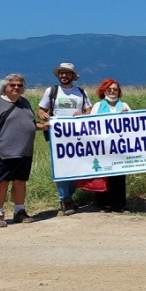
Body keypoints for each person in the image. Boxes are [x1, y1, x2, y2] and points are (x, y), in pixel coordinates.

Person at [0, 74, 49, 227]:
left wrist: (42, 126)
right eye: (13, 85)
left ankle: (20, 211)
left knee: (20, 182)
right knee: (1, 183)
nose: (16, 87)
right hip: (3, 152)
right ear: (5, 87)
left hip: (24, 152)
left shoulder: (25, 103)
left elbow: (30, 123)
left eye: (20, 85)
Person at [38, 62, 92, 216]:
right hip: (58, 136)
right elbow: (41, 110)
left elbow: (89, 111)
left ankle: (71, 193)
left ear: (72, 76)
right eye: (61, 73)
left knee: (77, 166)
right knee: (62, 166)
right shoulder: (52, 91)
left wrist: (82, 115)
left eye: (67, 73)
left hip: (78, 136)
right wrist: (44, 116)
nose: (64, 75)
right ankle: (65, 198)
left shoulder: (81, 92)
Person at [91, 78, 131, 212]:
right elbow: (90, 124)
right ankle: (104, 203)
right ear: (104, 91)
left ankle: (119, 204)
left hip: (120, 147)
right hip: (103, 147)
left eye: (115, 89)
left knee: (119, 176)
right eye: (110, 89)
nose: (112, 92)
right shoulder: (97, 106)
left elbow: (135, 125)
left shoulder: (124, 105)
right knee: (104, 174)